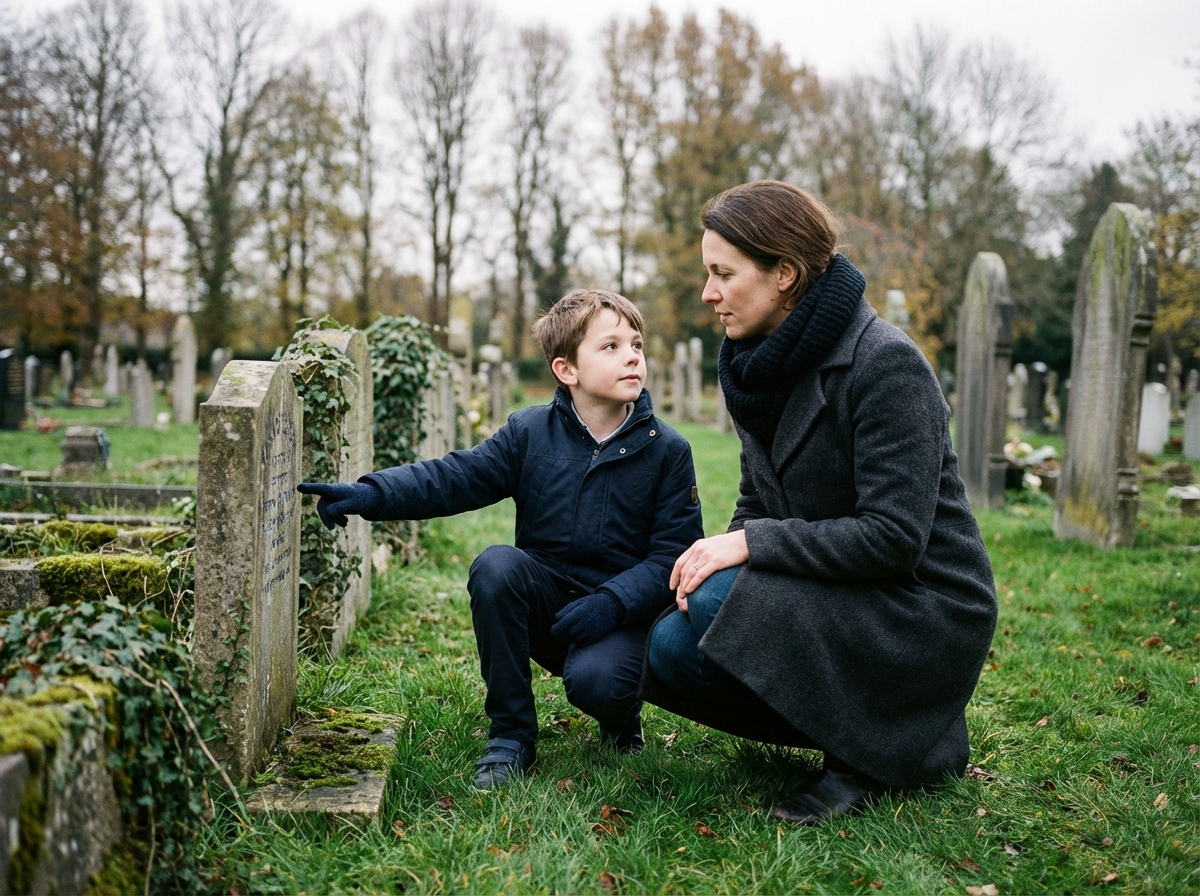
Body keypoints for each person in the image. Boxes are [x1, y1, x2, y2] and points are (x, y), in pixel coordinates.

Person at [643, 180, 998, 825]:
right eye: (708, 273)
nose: (708, 293)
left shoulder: (886, 364)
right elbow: (758, 498)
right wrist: (728, 549)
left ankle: (874, 754)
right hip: (839, 590)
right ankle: (895, 734)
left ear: (784, 274)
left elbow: (894, 538)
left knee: (723, 601)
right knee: (672, 645)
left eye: (723, 273)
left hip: (919, 606)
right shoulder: (757, 367)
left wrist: (746, 548)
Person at [299, 290, 704, 790]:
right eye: (611, 346)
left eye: (636, 344)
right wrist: (372, 493)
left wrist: (613, 603)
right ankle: (511, 735)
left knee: (597, 682)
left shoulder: (668, 450)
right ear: (566, 370)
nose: (632, 356)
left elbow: (673, 556)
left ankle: (620, 719)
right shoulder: (529, 433)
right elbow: (455, 477)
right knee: (495, 566)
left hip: (619, 615)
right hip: (546, 603)